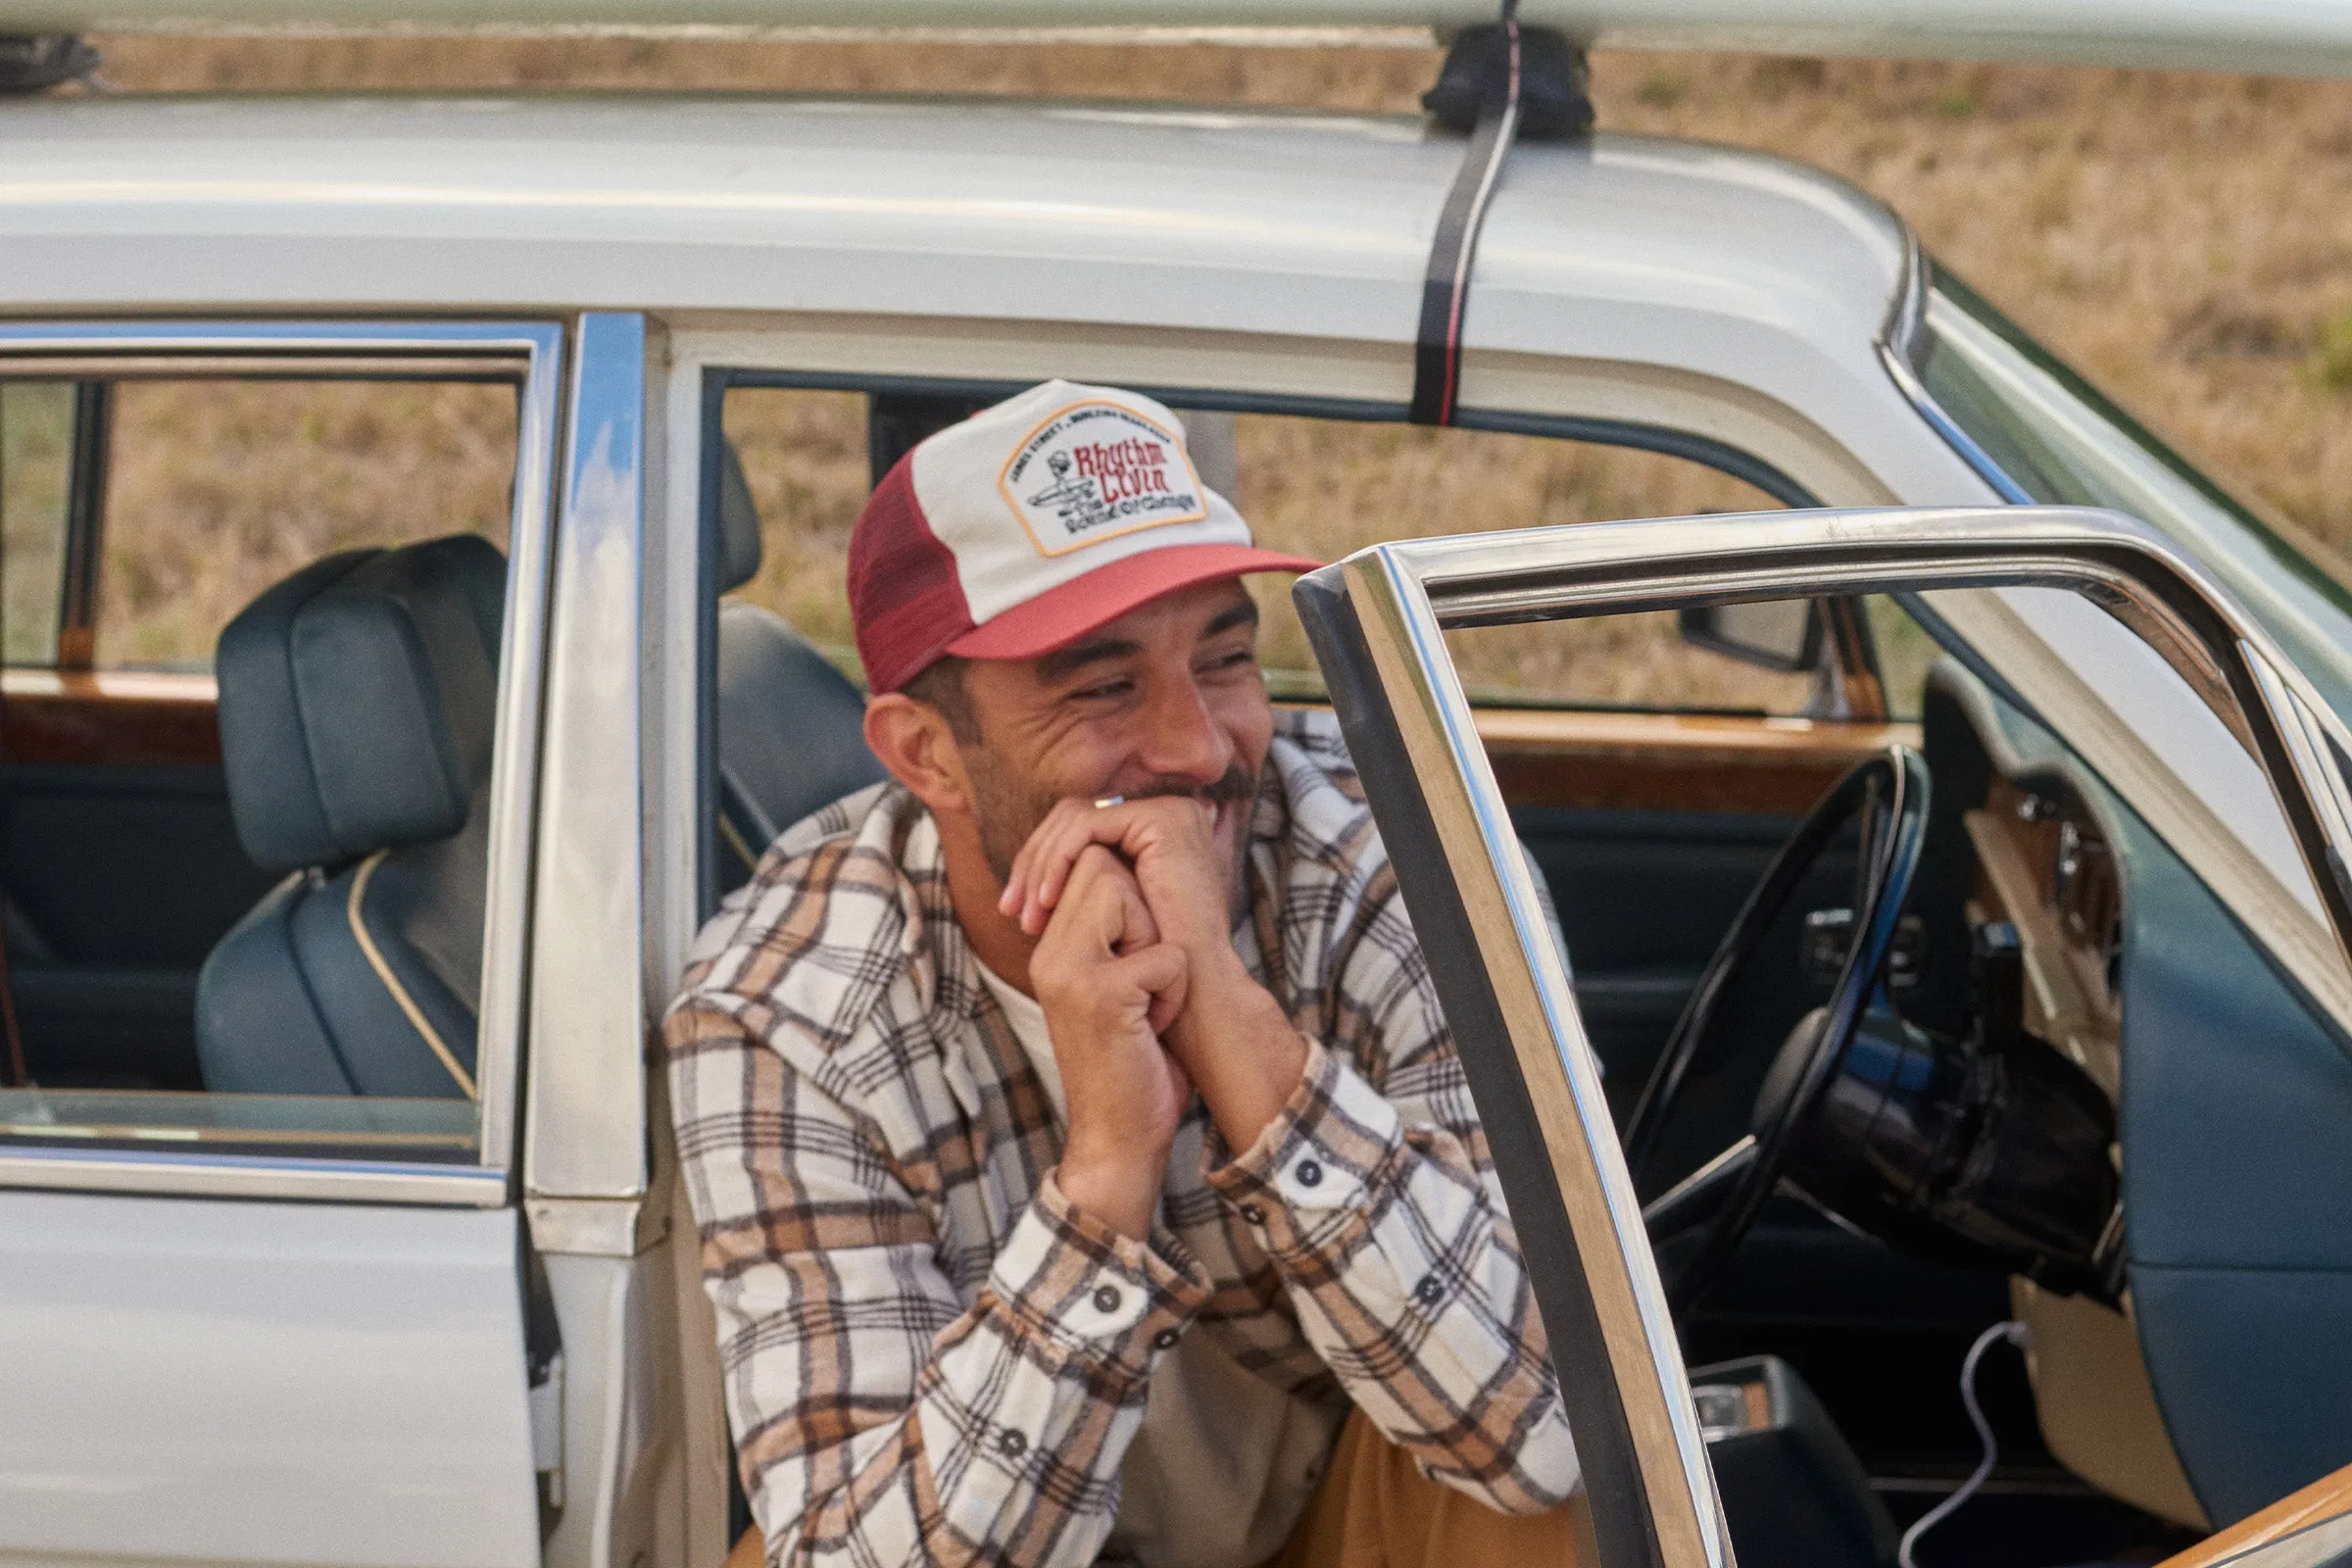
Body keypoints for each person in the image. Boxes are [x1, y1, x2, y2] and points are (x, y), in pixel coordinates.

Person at [666, 380, 1586, 1568]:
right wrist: (1106, 1174)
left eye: (1226, 657)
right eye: (1104, 687)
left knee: (1556, 1487)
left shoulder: (1406, 865)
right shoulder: (785, 1010)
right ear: (928, 753)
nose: (1202, 748)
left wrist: (1236, 1023)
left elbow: (1556, 1430)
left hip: (1340, 1510)